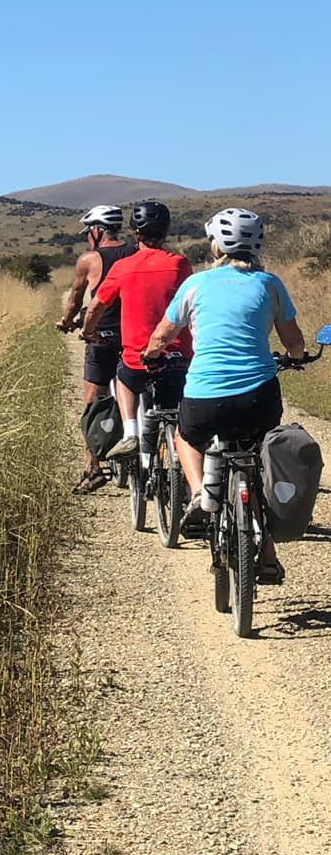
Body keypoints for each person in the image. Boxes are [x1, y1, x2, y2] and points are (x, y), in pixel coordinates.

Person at [142, 207, 307, 581]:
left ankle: (200, 494)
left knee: (186, 436)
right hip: (259, 396)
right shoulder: (270, 284)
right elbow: (294, 342)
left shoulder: (195, 285)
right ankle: (267, 552)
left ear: (215, 245)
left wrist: (151, 356)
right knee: (258, 462)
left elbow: (162, 335)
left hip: (205, 394)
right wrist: (295, 358)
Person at [80, 200, 192, 459]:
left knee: (123, 378)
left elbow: (95, 307)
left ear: (135, 233)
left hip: (137, 357)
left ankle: (130, 432)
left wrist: (88, 331)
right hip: (177, 353)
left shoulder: (123, 267)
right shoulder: (180, 264)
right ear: (165, 232)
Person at [58, 205, 134, 492]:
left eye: (88, 233)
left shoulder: (89, 259)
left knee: (92, 402)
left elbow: (75, 299)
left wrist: (67, 321)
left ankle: (93, 468)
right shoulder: (136, 253)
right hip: (134, 334)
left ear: (97, 231)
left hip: (103, 335)